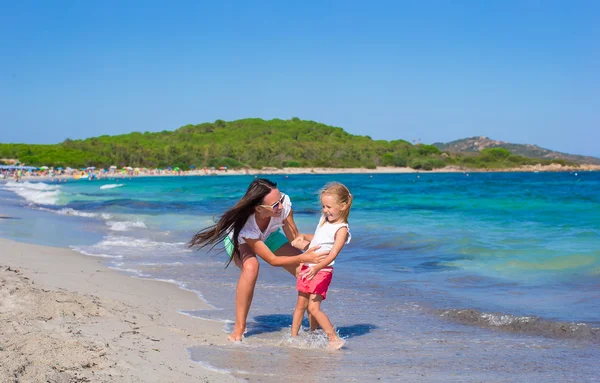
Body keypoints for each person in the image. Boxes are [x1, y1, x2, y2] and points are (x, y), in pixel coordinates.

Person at [188, 178, 328, 341]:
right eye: (276, 204)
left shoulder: (284, 206)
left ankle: (315, 328)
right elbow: (272, 260)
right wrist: (304, 256)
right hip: (240, 240)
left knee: (306, 271)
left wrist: (324, 244)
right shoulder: (247, 225)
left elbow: (295, 239)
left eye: (280, 199)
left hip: (269, 235)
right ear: (259, 208)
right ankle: (239, 329)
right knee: (251, 267)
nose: (281, 206)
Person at [290, 182, 352, 350]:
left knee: (313, 307)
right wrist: (303, 238)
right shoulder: (324, 220)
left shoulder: (342, 229)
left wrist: (317, 267)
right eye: (324, 206)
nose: (325, 210)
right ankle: (293, 339)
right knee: (300, 305)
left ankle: (333, 339)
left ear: (343, 205)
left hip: (322, 270)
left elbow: (333, 253)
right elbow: (318, 237)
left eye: (329, 207)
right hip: (307, 267)